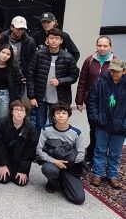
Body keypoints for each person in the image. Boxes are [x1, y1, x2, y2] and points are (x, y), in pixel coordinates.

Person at [27, 28, 79, 129]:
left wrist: (60, 81)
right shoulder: (38, 54)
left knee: (55, 124)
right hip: (40, 97)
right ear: (47, 40)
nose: (54, 41)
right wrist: (32, 96)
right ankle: (39, 144)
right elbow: (30, 75)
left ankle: (53, 144)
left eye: (56, 38)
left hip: (59, 98)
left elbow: (74, 77)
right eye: (51, 38)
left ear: (61, 41)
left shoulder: (68, 57)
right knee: (39, 123)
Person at [86, 57, 125, 189]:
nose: (114, 74)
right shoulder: (101, 83)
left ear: (124, 71)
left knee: (115, 152)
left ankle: (112, 175)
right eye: (112, 71)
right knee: (100, 149)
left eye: (118, 72)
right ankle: (98, 173)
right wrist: (96, 118)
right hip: (102, 124)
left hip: (120, 127)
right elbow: (92, 101)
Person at [76, 35, 115, 163]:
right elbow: (82, 81)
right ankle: (91, 154)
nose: (102, 48)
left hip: (108, 103)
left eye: (105, 46)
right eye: (99, 45)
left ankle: (100, 155)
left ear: (110, 47)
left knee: (103, 129)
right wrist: (79, 100)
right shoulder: (89, 61)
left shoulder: (116, 62)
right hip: (92, 101)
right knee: (93, 129)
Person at [37, 102, 86, 205]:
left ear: (68, 115)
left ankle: (63, 180)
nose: (61, 115)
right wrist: (54, 161)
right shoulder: (46, 129)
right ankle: (52, 183)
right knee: (48, 169)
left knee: (79, 198)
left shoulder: (76, 133)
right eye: (58, 113)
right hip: (52, 163)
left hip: (70, 165)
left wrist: (66, 163)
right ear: (53, 116)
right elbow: (39, 150)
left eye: (64, 113)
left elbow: (81, 155)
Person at [0, 100, 38, 186]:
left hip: (20, 159)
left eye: (22, 110)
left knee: (20, 182)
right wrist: (3, 164)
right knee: (3, 179)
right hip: (4, 156)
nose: (19, 113)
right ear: (12, 111)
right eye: (16, 110)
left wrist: (23, 170)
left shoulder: (31, 128)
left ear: (26, 113)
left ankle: (17, 170)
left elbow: (30, 150)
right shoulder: (1, 123)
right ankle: (0, 167)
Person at [0, 16, 36, 93]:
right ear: (12, 27)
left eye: (23, 29)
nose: (20, 31)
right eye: (18, 28)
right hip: (2, 75)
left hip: (19, 77)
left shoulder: (30, 41)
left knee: (16, 102)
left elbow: (33, 61)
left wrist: (27, 75)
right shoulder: (3, 37)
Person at [0, 45, 22, 125]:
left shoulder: (13, 67)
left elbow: (17, 84)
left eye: (8, 54)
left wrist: (15, 98)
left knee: (3, 120)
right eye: (3, 52)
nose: (4, 56)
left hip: (5, 94)